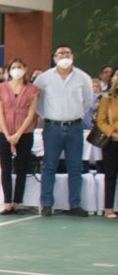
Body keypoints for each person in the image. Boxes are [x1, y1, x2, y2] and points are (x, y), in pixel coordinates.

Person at [33, 45, 93, 216]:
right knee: (49, 166)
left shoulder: (83, 78)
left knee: (75, 167)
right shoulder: (44, 78)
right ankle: (46, 204)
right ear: (54, 58)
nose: (64, 57)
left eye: (67, 53)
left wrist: (75, 115)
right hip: (52, 127)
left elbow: (87, 101)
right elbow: (37, 102)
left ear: (72, 56)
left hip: (75, 127)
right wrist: (49, 116)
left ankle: (75, 204)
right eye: (61, 54)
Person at [0, 59, 40, 214]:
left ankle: (17, 201)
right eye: (13, 67)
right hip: (3, 131)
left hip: (25, 132)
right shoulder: (1, 88)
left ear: (25, 69)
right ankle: (7, 201)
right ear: (8, 70)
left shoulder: (33, 90)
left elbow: (31, 114)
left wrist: (18, 133)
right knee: (5, 167)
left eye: (19, 67)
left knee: (21, 167)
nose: (16, 70)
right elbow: (0, 113)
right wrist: (7, 134)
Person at [96, 84, 118, 218]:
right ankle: (108, 207)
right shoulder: (107, 99)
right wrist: (113, 134)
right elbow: (101, 121)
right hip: (112, 141)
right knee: (110, 175)